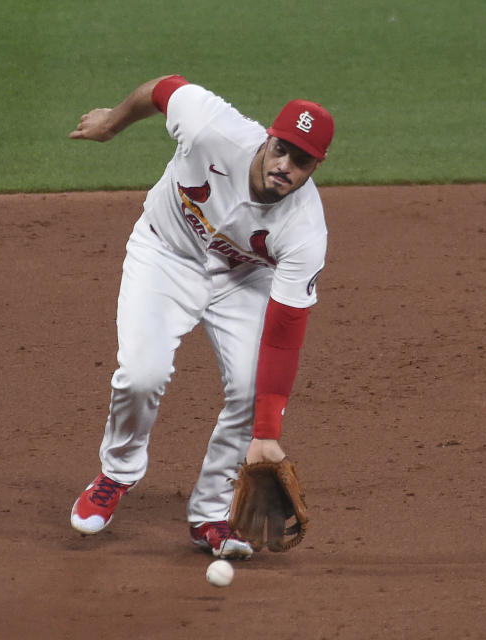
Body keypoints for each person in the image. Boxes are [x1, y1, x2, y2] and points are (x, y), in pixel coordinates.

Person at [67, 75, 334, 559]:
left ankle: (210, 514)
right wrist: (111, 122)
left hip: (242, 280)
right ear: (268, 137)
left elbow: (284, 335)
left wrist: (267, 436)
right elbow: (163, 88)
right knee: (141, 375)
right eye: (281, 149)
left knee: (255, 392)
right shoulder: (212, 126)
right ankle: (117, 473)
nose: (284, 166)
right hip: (165, 253)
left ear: (317, 165)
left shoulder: (306, 231)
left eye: (301, 161)